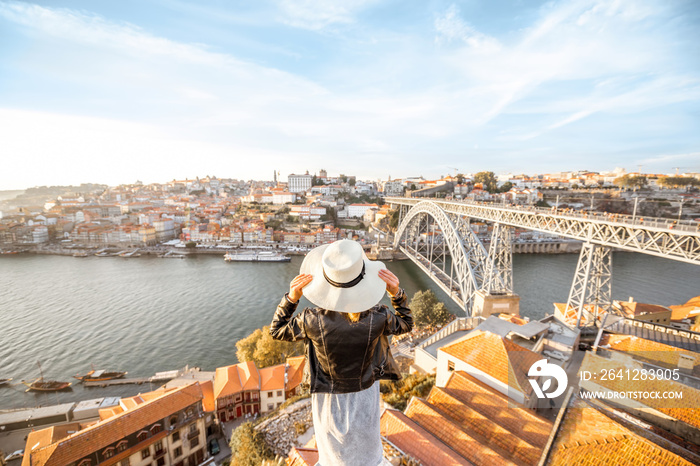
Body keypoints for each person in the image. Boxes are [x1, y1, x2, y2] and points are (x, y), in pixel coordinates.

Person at [270, 239, 413, 466]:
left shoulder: (311, 319)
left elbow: (277, 330)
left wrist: (291, 298)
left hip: (328, 400)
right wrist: (397, 293)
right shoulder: (378, 317)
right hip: (365, 394)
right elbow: (406, 323)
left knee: (332, 458)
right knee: (368, 456)